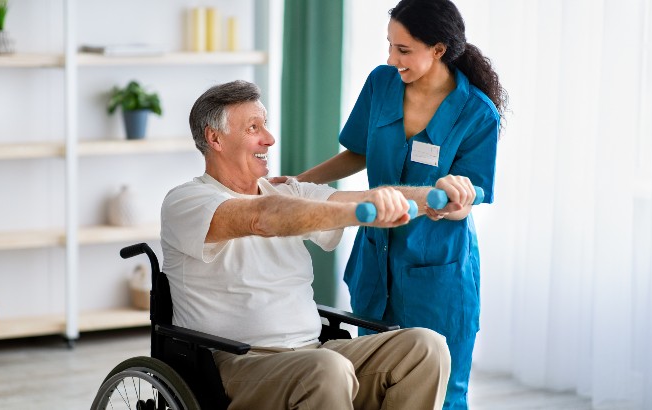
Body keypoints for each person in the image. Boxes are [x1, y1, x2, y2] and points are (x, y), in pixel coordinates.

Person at [160, 80, 478, 409]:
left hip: (313, 353)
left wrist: (436, 197)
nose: (269, 139)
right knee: (327, 370)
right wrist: (357, 214)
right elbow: (263, 217)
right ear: (215, 138)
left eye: (265, 125)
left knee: (426, 347)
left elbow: (362, 197)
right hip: (238, 365)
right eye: (254, 127)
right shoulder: (187, 200)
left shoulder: (288, 191)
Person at [281, 1, 508, 408]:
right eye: (389, 45)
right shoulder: (381, 84)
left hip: (437, 273)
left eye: (403, 50)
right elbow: (357, 152)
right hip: (376, 261)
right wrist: (295, 184)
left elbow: (465, 202)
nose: (391, 58)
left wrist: (446, 200)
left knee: (443, 392)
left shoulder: (477, 113)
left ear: (438, 49)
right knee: (374, 381)